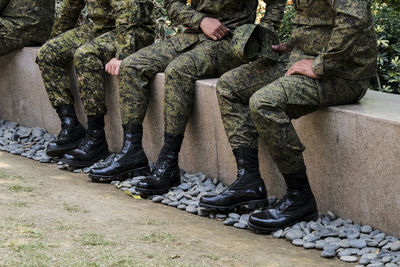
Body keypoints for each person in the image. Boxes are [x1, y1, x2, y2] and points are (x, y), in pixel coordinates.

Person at [200, 0, 377, 233]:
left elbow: (354, 21)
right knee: (230, 87)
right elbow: (315, 24)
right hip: (302, 58)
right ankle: (249, 182)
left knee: (264, 103)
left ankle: (299, 197)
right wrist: (292, 46)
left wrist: (321, 65)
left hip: (343, 74)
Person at [89, 0, 286, 188]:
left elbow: (276, 3)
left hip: (232, 41)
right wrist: (200, 21)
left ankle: (168, 161)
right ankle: (132, 152)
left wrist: (259, 35)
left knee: (178, 70)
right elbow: (172, 3)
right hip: (194, 35)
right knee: (131, 66)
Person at [36, 0, 155, 168]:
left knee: (85, 55)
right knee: (48, 53)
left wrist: (123, 55)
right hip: (100, 28)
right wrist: (56, 39)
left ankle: (96, 137)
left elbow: (127, 11)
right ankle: (71, 126)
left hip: (133, 31)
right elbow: (70, 8)